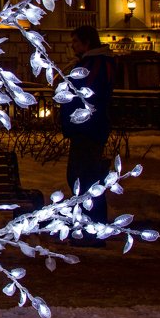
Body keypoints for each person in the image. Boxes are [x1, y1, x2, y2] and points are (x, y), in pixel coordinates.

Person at [60, 25, 116, 244]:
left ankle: (90, 231)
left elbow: (83, 92)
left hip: (88, 129)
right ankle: (88, 229)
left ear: (86, 43)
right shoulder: (93, 63)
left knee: (85, 179)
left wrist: (65, 86)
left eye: (75, 42)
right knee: (83, 179)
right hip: (86, 129)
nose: (72, 46)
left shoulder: (96, 64)